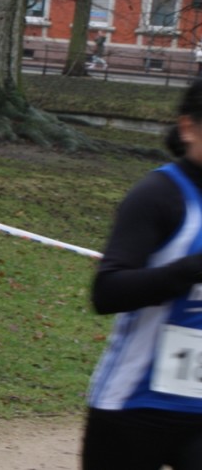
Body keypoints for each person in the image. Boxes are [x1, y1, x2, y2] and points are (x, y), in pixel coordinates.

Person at [81, 79, 202, 469]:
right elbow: (108, 291)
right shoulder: (159, 194)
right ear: (188, 127)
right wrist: (192, 268)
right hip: (134, 405)